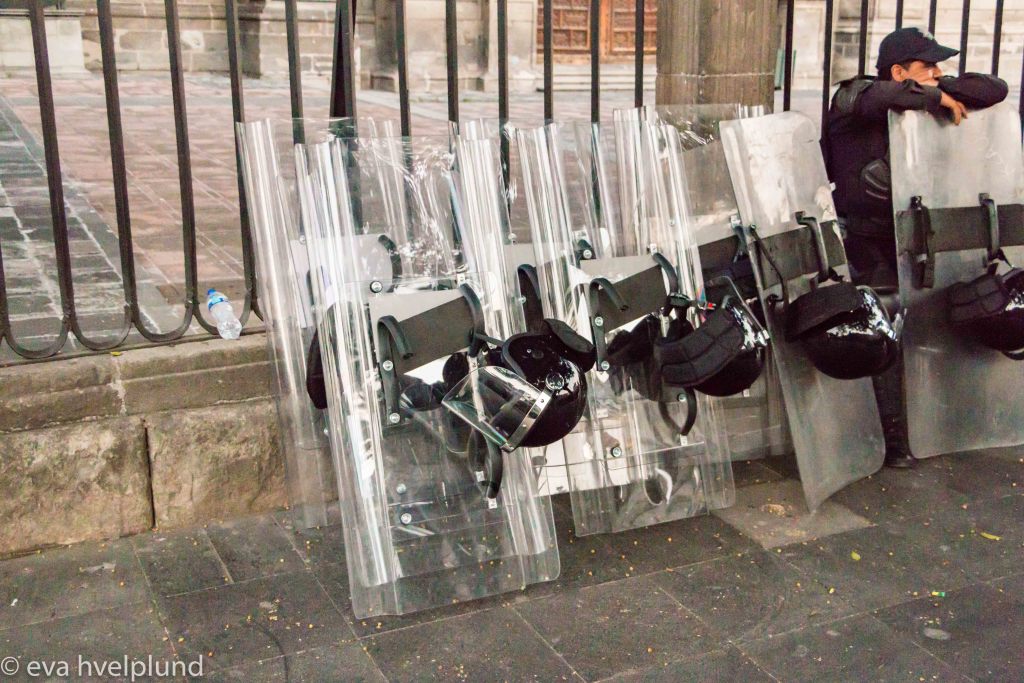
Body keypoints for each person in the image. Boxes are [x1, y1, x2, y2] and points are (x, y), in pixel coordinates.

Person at [825, 27, 1008, 468]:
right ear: (897, 71)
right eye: (929, 66)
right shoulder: (853, 98)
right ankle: (891, 439)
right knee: (884, 326)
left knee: (942, 314)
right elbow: (875, 98)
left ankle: (944, 421)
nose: (938, 73)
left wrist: (939, 88)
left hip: (915, 238)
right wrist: (933, 96)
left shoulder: (920, 93)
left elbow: (994, 88)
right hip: (865, 243)